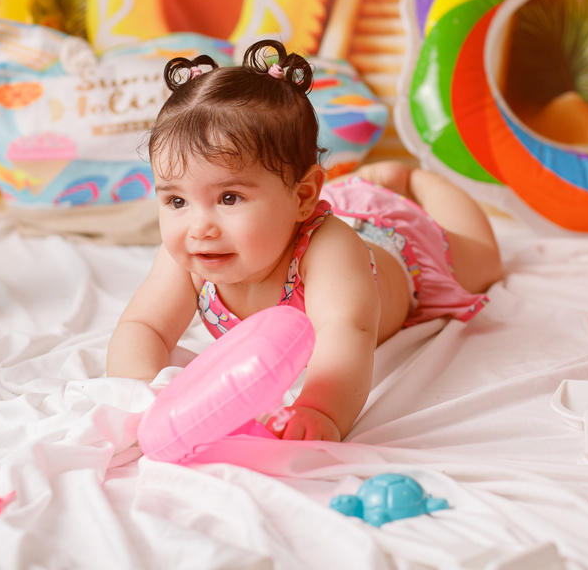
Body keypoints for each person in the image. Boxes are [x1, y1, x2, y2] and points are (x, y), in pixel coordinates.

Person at [107, 40, 502, 442]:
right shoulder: (192, 253)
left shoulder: (329, 249)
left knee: (484, 262)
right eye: (177, 201)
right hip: (305, 210)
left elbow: (345, 331)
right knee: (326, 197)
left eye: (229, 198)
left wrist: (320, 410)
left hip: (396, 247)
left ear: (303, 196)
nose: (198, 227)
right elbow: (143, 326)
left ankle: (411, 178)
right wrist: (140, 393)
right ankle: (365, 181)